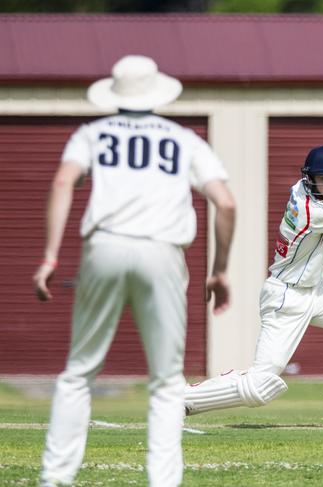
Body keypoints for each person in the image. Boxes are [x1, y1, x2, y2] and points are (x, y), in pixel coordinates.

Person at [32, 55, 235, 487]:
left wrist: (50, 256)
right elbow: (226, 203)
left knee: (79, 372)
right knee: (166, 382)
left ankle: (55, 478)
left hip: (104, 246)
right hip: (162, 251)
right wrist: (218, 270)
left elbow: (63, 182)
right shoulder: (185, 139)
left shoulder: (91, 133)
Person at [184, 142, 323, 428]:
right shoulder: (312, 211)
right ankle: (179, 400)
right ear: (312, 180)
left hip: (317, 291)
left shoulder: (304, 185)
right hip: (286, 298)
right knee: (261, 386)